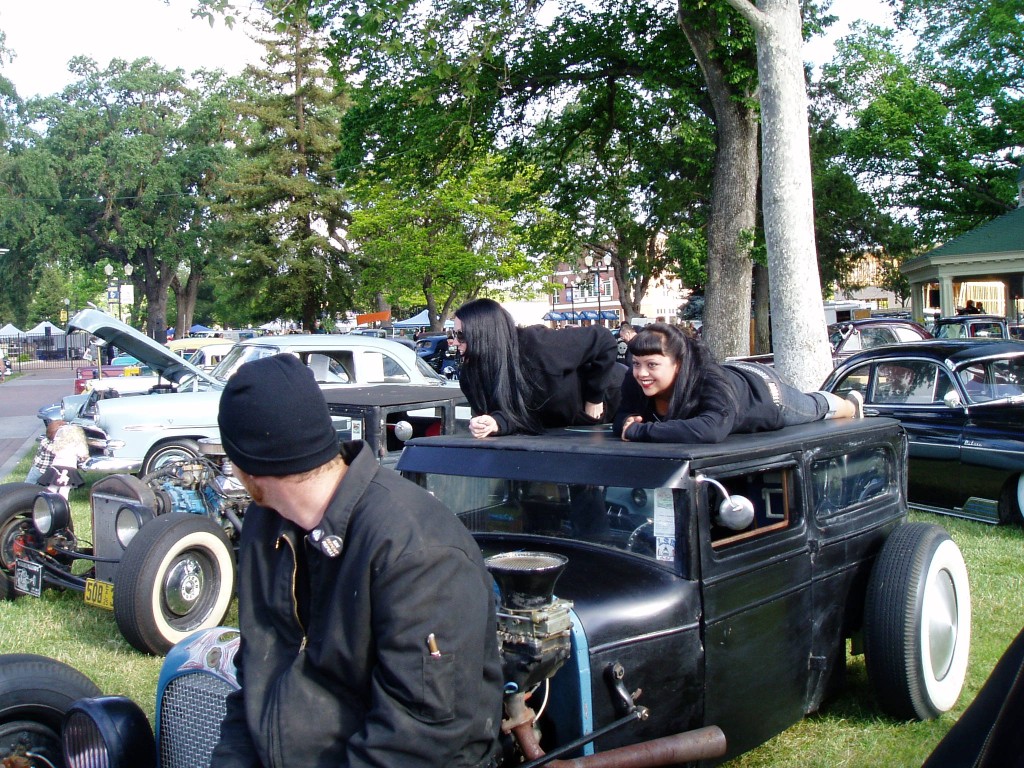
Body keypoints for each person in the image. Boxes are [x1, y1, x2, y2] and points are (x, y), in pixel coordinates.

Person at [211, 354, 502, 768]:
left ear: (246, 469)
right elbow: (255, 681)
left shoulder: (417, 550)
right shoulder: (267, 525)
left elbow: (421, 737)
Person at [614, 323, 863, 444]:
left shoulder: (708, 381)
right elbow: (621, 418)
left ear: (678, 363)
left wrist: (639, 431)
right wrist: (625, 423)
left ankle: (851, 404)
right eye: (636, 363)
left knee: (815, 406)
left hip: (766, 393)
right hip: (735, 376)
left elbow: (711, 429)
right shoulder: (635, 380)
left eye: (652, 365)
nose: (641, 373)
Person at [453, 298, 623, 438]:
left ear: (485, 334)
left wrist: (594, 398)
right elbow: (518, 416)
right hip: (563, 430)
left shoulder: (538, 344)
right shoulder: (471, 378)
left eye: (460, 335)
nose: (454, 342)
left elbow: (604, 340)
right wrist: (494, 423)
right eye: (453, 335)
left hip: (615, 398)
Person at [39, 422, 89, 498]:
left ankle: (48, 501)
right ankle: (63, 503)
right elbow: (83, 455)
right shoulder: (77, 444)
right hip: (69, 468)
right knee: (64, 489)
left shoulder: (59, 443)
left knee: (52, 487)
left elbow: (54, 451)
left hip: (55, 467)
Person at [27, 419, 63, 484]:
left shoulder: (59, 443)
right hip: (40, 468)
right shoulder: (46, 443)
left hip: (51, 470)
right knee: (30, 484)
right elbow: (55, 451)